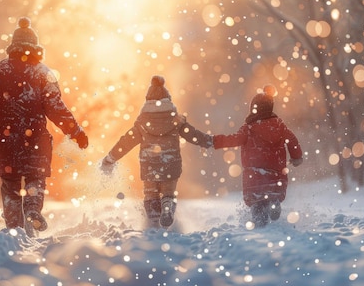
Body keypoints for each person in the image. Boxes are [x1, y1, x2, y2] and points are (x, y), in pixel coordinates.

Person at [0, 17, 88, 236]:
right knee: (35, 177)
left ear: (13, 45)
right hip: (35, 138)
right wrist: (75, 131)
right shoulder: (43, 73)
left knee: (10, 184)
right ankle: (32, 209)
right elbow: (56, 108)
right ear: (36, 45)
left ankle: (14, 229)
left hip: (4, 139)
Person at [100, 76, 212, 229]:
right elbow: (192, 134)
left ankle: (153, 221)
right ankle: (167, 205)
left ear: (148, 101)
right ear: (168, 99)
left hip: (149, 164)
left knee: (151, 193)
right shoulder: (176, 120)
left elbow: (126, 142)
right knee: (168, 192)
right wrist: (207, 141)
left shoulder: (142, 123)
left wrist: (111, 158)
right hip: (170, 162)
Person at [212, 85, 302, 227]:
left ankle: (261, 230)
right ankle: (274, 203)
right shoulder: (279, 125)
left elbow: (233, 139)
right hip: (276, 175)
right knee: (273, 193)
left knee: (257, 205)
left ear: (253, 108)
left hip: (254, 177)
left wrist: (215, 141)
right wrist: (296, 156)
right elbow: (292, 140)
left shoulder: (248, 128)